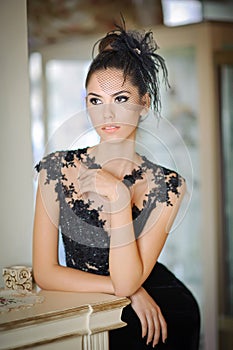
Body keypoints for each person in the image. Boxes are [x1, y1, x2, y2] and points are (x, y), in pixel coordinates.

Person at [33, 21, 200, 350]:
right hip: (107, 308)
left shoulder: (168, 185)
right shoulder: (56, 169)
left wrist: (119, 196)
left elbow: (128, 278)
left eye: (120, 98)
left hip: (161, 316)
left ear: (144, 103)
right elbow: (45, 273)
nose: (107, 113)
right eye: (95, 101)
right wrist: (131, 290)